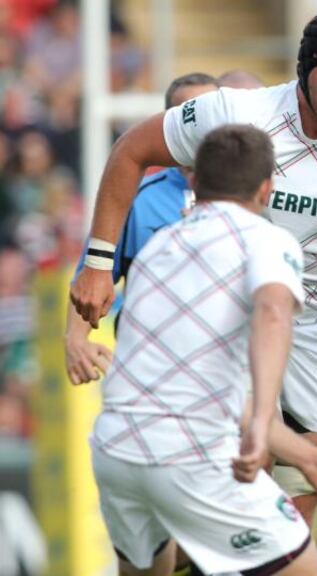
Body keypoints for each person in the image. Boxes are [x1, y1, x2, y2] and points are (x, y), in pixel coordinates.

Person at [69, 10, 317, 527]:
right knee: (241, 478)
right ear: (304, 71)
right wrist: (96, 261)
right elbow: (131, 149)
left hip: (310, 326)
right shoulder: (236, 112)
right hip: (229, 317)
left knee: (302, 497)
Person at [90, 124, 317, 576]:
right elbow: (275, 313)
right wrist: (263, 422)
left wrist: (306, 455)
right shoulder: (267, 239)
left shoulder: (159, 247)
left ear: (195, 182)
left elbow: (202, 386)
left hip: (116, 450)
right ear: (267, 188)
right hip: (192, 454)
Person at [64, 72, 219, 386]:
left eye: (208, 113)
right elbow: (91, 277)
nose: (199, 127)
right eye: (189, 114)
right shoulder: (135, 198)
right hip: (149, 371)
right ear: (168, 124)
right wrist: (75, 340)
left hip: (224, 368)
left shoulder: (256, 196)